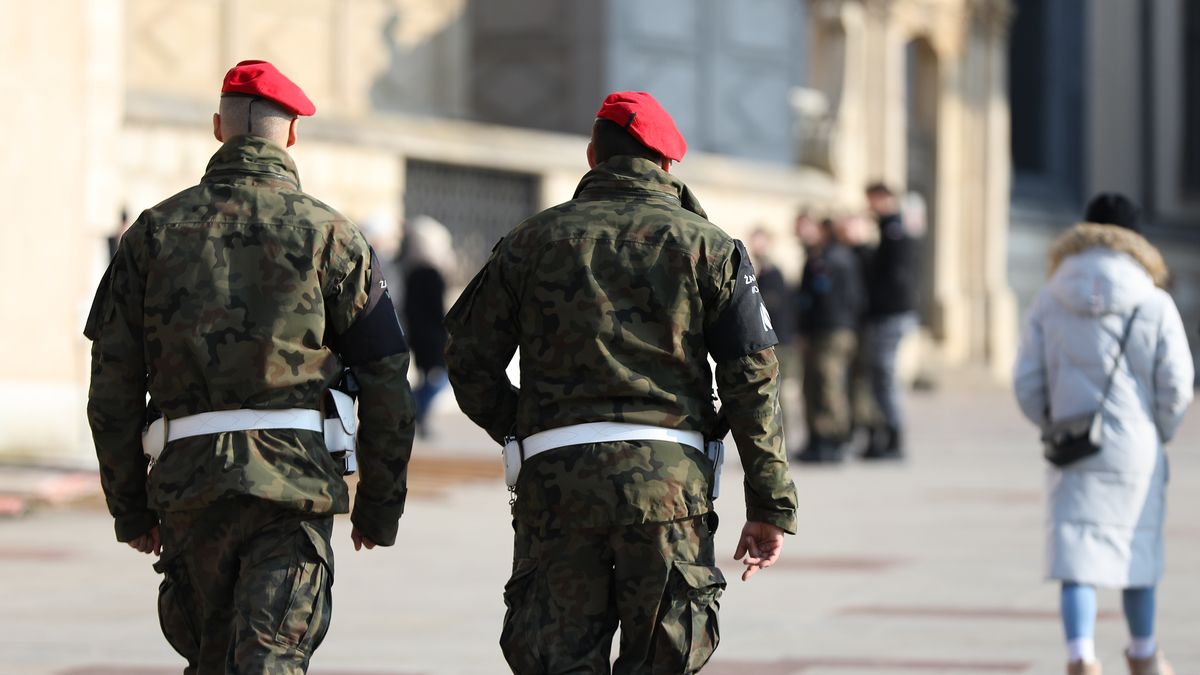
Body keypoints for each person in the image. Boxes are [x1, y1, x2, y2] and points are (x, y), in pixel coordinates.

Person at [444, 91, 798, 673]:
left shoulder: (531, 241)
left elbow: (466, 358)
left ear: (591, 156)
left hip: (558, 486)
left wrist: (527, 427)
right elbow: (751, 382)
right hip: (670, 492)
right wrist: (768, 505)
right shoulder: (711, 248)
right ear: (666, 166)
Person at [84, 60, 416, 673]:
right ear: (290, 135)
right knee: (273, 662)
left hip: (190, 488)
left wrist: (128, 506)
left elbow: (112, 385)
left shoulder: (151, 235)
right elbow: (388, 376)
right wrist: (379, 503)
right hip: (292, 487)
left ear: (219, 128)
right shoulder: (332, 235)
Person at [1014, 193, 1192, 675]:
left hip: (1073, 444)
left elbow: (1026, 380)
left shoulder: (1050, 296)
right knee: (1138, 544)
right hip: (1137, 447)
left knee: (1076, 552)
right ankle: (1143, 652)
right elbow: (1177, 382)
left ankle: (1080, 656)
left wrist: (1053, 422)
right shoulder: (1154, 300)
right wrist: (1160, 430)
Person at [794, 215, 866, 463]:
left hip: (832, 330)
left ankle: (834, 439)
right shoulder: (825, 258)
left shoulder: (832, 259)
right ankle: (820, 439)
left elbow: (831, 299)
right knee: (816, 385)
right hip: (827, 330)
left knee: (829, 385)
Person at [861, 182, 920, 459]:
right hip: (890, 314)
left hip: (890, 315)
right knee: (880, 377)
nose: (869, 206)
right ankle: (886, 436)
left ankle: (895, 437)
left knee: (884, 376)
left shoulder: (894, 231)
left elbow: (894, 280)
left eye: (872, 200)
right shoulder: (888, 229)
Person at [401, 214, 454, 436]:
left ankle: (416, 417)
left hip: (417, 334)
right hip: (432, 336)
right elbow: (437, 309)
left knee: (428, 377)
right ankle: (411, 410)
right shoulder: (431, 273)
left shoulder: (412, 271)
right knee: (441, 378)